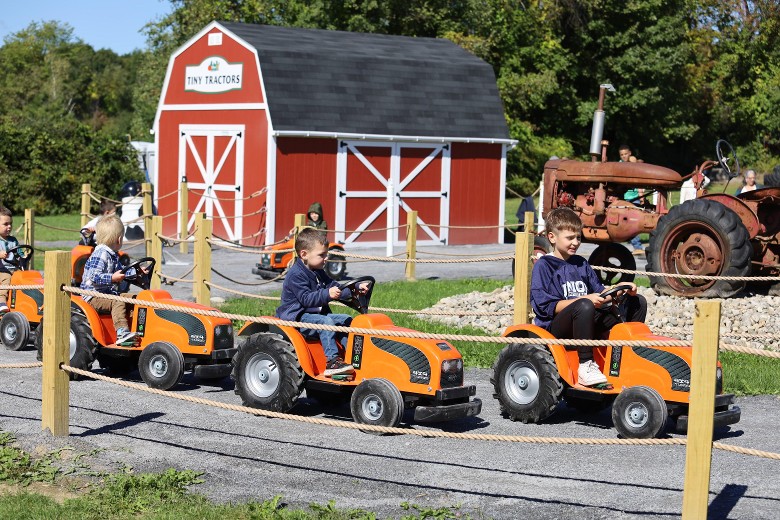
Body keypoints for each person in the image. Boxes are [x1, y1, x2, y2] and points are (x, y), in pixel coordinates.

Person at [531, 207, 647, 387]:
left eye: (578, 237)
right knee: (585, 304)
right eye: (569, 238)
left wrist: (619, 290)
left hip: (585, 319)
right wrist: (585, 301)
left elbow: (599, 293)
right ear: (552, 237)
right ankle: (585, 366)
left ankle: (628, 358)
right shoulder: (544, 266)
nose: (575, 242)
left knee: (637, 302)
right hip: (555, 329)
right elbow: (545, 307)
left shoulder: (581, 263)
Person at [276, 228, 365, 376]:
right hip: (297, 317)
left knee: (347, 320)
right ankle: (332, 362)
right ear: (304, 254)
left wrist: (355, 288)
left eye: (326, 254)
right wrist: (327, 294)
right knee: (326, 323)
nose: (326, 258)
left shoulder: (318, 270)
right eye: (321, 255)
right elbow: (306, 299)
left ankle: (350, 354)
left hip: (315, 315)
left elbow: (334, 286)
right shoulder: (295, 275)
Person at [80, 215, 139, 346]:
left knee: (135, 299)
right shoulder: (100, 254)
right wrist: (112, 278)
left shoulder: (112, 254)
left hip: (106, 294)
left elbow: (122, 270)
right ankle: (122, 333)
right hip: (92, 296)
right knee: (118, 301)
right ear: (119, 239)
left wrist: (137, 271)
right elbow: (94, 277)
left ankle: (136, 328)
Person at [619, 146, 645, 255]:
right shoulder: (619, 165)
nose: (624, 156)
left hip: (635, 198)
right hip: (624, 197)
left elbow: (639, 181)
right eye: (622, 154)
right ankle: (634, 243)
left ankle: (637, 245)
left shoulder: (633, 164)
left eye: (626, 154)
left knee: (634, 222)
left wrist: (641, 195)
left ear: (630, 153)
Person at [0, 206, 21, 315]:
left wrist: (23, 254)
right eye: (5, 224)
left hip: (14, 268)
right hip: (2, 270)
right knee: (7, 279)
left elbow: (19, 252)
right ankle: (1, 302)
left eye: (10, 224)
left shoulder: (13, 240)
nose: (9, 227)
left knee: (26, 277)